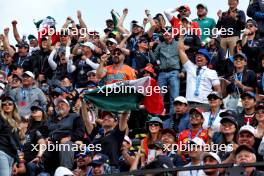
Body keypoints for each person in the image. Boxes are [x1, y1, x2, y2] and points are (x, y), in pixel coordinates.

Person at [178, 36, 221, 110]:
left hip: (205, 105)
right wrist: (181, 37)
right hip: (189, 104)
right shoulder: (190, 67)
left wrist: (216, 107)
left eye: (201, 56)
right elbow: (180, 50)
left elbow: (218, 89)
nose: (198, 57)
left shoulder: (212, 72)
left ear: (207, 60)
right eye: (197, 56)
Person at [44, 97, 85, 171]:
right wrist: (46, 139)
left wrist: (69, 138)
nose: (59, 106)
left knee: (66, 145)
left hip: (68, 142)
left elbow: (80, 132)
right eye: (57, 105)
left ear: (68, 107)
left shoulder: (75, 116)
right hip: (52, 143)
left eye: (62, 104)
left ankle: (66, 172)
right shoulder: (50, 120)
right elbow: (44, 132)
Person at [151, 26, 181, 113]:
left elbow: (183, 59)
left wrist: (183, 71)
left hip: (174, 72)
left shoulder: (178, 44)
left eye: (168, 32)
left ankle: (173, 119)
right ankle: (159, 118)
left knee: (174, 97)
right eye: (164, 33)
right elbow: (154, 59)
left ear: (172, 34)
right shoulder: (160, 45)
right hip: (162, 73)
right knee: (159, 97)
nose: (166, 34)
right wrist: (150, 49)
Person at [23, 105, 48, 176]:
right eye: (33, 110)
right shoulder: (28, 126)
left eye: (37, 109)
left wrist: (39, 156)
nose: (34, 111)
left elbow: (44, 142)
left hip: (38, 156)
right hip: (25, 155)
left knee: (31, 165)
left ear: (43, 113)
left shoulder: (46, 125)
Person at [0, 96, 21, 176]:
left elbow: (16, 142)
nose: (7, 105)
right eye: (4, 104)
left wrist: (16, 162)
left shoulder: (15, 121)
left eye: (10, 104)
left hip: (11, 155)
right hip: (2, 152)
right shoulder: (0, 118)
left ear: (14, 106)